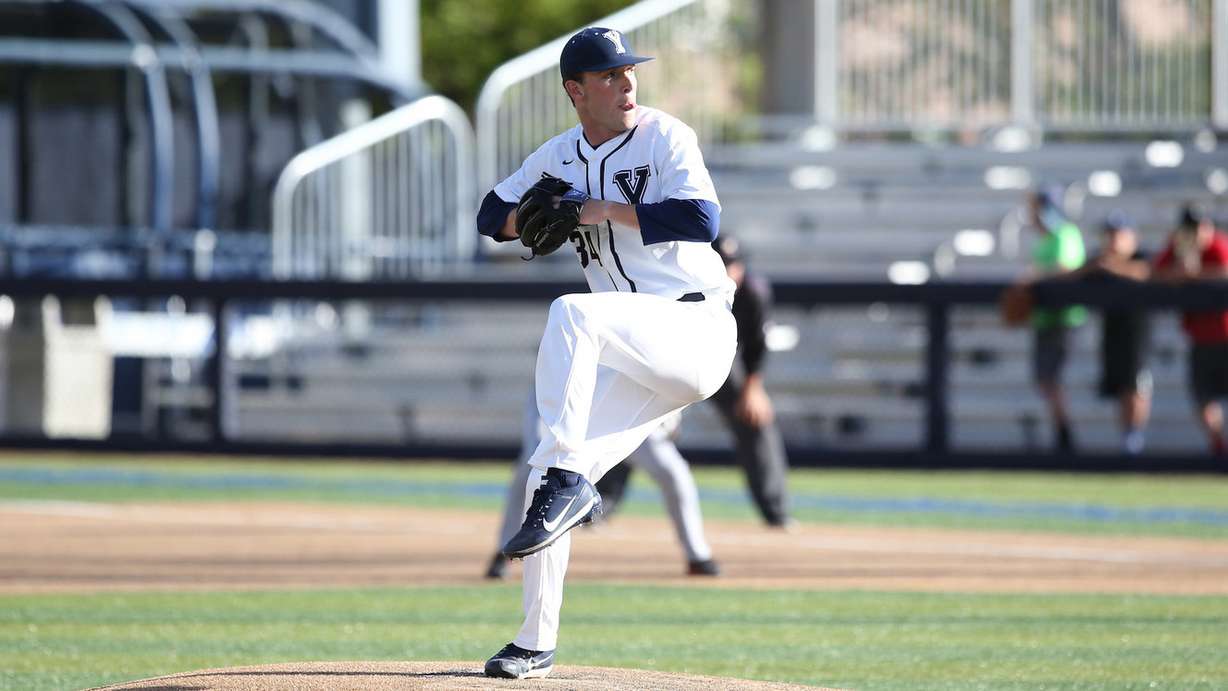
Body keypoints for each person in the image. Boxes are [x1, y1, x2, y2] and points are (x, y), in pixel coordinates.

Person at [473, 27, 736, 679]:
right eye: (610, 75)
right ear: (576, 90)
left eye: (629, 71)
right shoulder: (559, 154)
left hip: (694, 331)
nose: (626, 82)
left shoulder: (665, 136)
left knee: (570, 311)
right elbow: (490, 214)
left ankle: (569, 479)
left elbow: (702, 220)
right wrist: (526, 220)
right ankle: (534, 642)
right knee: (545, 471)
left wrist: (593, 208)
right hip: (632, 351)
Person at [595, 235, 792, 527]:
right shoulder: (685, 283)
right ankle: (601, 505)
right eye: (722, 264)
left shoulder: (753, 291)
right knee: (632, 421)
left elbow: (757, 345)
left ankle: (776, 512)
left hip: (725, 363)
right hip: (676, 357)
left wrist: (753, 389)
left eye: (733, 265)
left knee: (755, 419)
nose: (729, 272)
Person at [484, 394, 720, 582]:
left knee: (673, 471)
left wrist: (669, 417)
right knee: (531, 468)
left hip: (619, 412)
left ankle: (697, 555)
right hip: (564, 405)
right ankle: (505, 551)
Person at [1153, 203, 1228, 456]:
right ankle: (1219, 447)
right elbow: (1156, 273)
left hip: (1225, 336)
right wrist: (1183, 265)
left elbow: (1222, 272)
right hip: (1200, 339)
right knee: (1202, 398)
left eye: (1198, 227)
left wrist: (1194, 274)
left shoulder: (1218, 245)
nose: (1195, 233)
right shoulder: (1179, 247)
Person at [1075, 212, 1152, 454]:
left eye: (1117, 235)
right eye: (1109, 235)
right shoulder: (1099, 261)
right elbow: (1076, 274)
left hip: (1136, 334)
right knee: (1120, 388)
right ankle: (1127, 438)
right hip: (1112, 332)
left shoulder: (1140, 258)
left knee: (1136, 386)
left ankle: (1135, 436)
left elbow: (1146, 272)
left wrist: (1112, 266)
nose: (1113, 240)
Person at [1026, 184, 1087, 453]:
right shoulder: (1046, 239)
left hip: (1063, 319)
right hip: (1043, 320)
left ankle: (1065, 436)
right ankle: (1062, 431)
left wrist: (1036, 277)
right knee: (1044, 379)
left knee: (1054, 378)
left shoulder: (1065, 234)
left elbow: (1066, 269)